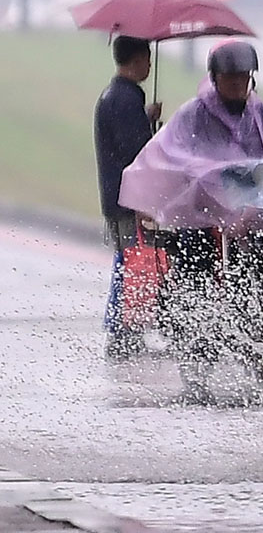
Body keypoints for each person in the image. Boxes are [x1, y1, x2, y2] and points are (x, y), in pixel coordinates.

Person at [117, 39, 263, 387]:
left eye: (244, 79)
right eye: (230, 79)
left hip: (252, 225)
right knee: (191, 273)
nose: (238, 86)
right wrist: (212, 177)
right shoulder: (193, 114)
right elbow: (169, 153)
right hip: (201, 219)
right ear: (214, 78)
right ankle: (195, 354)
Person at [94, 35, 159, 361]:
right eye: (147, 59)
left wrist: (144, 117)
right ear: (137, 60)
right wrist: (153, 133)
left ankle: (123, 327)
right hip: (126, 198)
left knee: (128, 260)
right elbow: (136, 150)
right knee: (130, 261)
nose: (150, 65)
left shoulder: (118, 96)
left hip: (115, 194)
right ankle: (122, 330)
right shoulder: (124, 99)